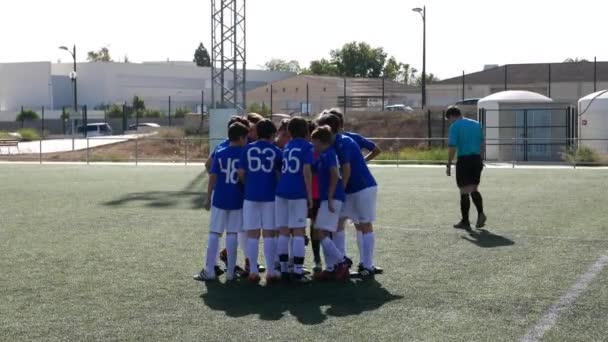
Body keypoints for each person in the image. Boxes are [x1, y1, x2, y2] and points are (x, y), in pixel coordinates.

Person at [320, 109, 383, 275]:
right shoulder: (332, 143)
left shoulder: (344, 142)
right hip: (348, 189)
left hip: (363, 187)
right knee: (339, 222)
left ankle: (367, 265)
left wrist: (339, 192)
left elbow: (346, 171)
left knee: (364, 224)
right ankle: (342, 262)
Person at [194, 122, 249, 281]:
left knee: (214, 233)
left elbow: (213, 175)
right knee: (232, 234)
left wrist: (208, 196)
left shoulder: (221, 151)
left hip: (220, 198)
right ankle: (231, 272)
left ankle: (210, 270)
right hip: (237, 198)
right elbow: (244, 176)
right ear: (240, 138)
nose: (247, 140)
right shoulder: (245, 153)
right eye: (245, 137)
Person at [238, 119, 283, 284]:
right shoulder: (276, 150)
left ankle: (254, 272)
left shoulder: (247, 149)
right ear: (272, 134)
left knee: (252, 235)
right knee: (269, 234)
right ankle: (271, 271)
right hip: (270, 197)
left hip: (250, 196)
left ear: (257, 133)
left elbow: (241, 173)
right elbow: (282, 172)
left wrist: (248, 185)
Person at [275, 117, 314, 282]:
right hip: (297, 192)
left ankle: (283, 269)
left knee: (284, 231)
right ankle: (297, 271)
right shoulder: (308, 147)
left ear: (289, 132)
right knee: (298, 231)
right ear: (306, 131)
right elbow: (306, 171)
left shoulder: (288, 145)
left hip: (281, 191)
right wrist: (310, 195)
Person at [310, 126, 350, 281]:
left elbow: (335, 175)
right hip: (328, 198)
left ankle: (342, 261)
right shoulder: (323, 155)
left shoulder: (329, 154)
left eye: (314, 143)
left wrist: (331, 196)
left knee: (320, 231)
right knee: (323, 231)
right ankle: (331, 267)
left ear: (320, 142)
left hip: (331, 198)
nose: (313, 146)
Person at [445, 106, 487, 230]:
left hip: (464, 160)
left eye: (450, 119)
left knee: (464, 191)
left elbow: (452, 147)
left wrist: (448, 164)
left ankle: (465, 221)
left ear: (452, 116)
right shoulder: (476, 124)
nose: (450, 122)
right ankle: (480, 213)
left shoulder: (455, 126)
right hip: (476, 159)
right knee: (474, 188)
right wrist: (480, 159)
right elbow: (482, 144)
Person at [307, 119, 323, 273]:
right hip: (312, 194)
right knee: (315, 225)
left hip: (311, 193)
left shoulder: (317, 151)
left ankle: (317, 258)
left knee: (315, 225)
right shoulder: (314, 150)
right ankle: (317, 259)